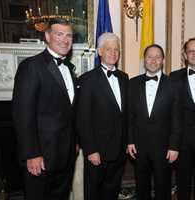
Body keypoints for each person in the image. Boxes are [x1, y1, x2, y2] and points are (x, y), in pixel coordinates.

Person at [12, 18, 77, 200]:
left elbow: (70, 111)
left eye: (69, 35)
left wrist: (75, 142)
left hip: (65, 156)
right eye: (59, 34)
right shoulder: (31, 66)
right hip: (41, 157)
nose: (65, 40)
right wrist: (32, 154)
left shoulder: (70, 69)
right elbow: (23, 115)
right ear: (47, 36)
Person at [77, 32, 129, 200]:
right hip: (97, 151)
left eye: (116, 49)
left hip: (119, 150)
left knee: (112, 192)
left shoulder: (124, 77)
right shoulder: (87, 79)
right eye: (108, 49)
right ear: (99, 52)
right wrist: (91, 150)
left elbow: (125, 114)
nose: (113, 53)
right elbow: (83, 119)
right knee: (94, 193)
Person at [127, 44, 181, 200]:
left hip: (164, 147)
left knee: (163, 187)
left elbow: (176, 118)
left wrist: (174, 146)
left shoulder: (173, 84)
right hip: (139, 146)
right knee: (141, 186)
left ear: (163, 60)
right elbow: (130, 116)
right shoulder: (133, 83)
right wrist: (130, 141)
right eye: (149, 57)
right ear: (144, 60)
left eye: (157, 57)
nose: (153, 60)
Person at [170, 38, 195, 200]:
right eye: (191, 51)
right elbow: (171, 112)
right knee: (183, 183)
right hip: (183, 142)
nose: (194, 54)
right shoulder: (174, 77)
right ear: (185, 55)